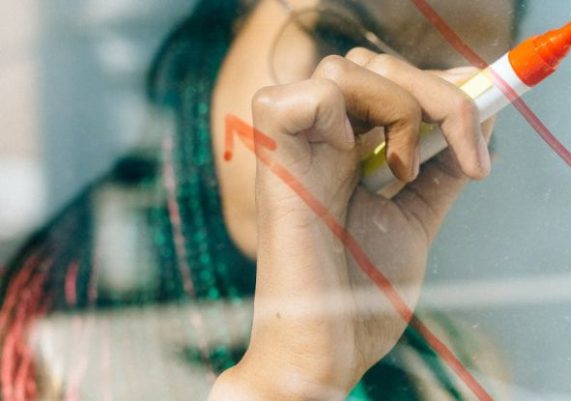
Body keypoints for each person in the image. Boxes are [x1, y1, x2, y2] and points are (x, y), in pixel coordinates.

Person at [1, 0, 522, 399]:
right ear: (232, 20)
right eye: (338, 43)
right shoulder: (35, 341)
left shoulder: (458, 369)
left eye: (441, 111)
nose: (379, 123)